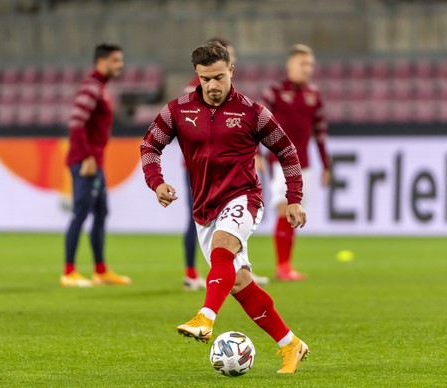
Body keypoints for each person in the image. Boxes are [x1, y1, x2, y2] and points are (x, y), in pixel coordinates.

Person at [140, 42, 309, 374]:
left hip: (243, 196)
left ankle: (206, 317)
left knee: (223, 248)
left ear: (231, 71)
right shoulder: (177, 110)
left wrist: (294, 198)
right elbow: (150, 145)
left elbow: (287, 152)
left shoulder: (252, 112)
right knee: (238, 280)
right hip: (204, 206)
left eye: (219, 77)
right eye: (205, 80)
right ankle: (291, 345)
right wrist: (156, 182)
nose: (212, 86)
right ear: (197, 76)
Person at [181, 38, 268, 290]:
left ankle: (239, 270)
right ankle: (191, 272)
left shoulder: (236, 100)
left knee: (234, 219)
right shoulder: (193, 92)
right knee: (199, 219)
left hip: (231, 172)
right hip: (200, 172)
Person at [60, 43, 131, 287]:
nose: (119, 65)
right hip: (86, 162)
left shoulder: (100, 87)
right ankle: (69, 272)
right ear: (101, 61)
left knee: (101, 212)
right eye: (115, 60)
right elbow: (76, 123)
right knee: (80, 213)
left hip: (94, 161)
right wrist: (87, 157)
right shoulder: (92, 87)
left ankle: (100, 270)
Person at [261, 44, 330, 281]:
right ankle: (282, 266)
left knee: (295, 212)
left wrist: (326, 165)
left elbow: (320, 133)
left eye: (310, 64)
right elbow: (256, 125)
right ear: (290, 65)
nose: (307, 69)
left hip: (305, 164)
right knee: (284, 208)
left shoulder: (314, 95)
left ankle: (286, 265)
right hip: (279, 160)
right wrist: (254, 154)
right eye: (302, 63)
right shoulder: (274, 92)